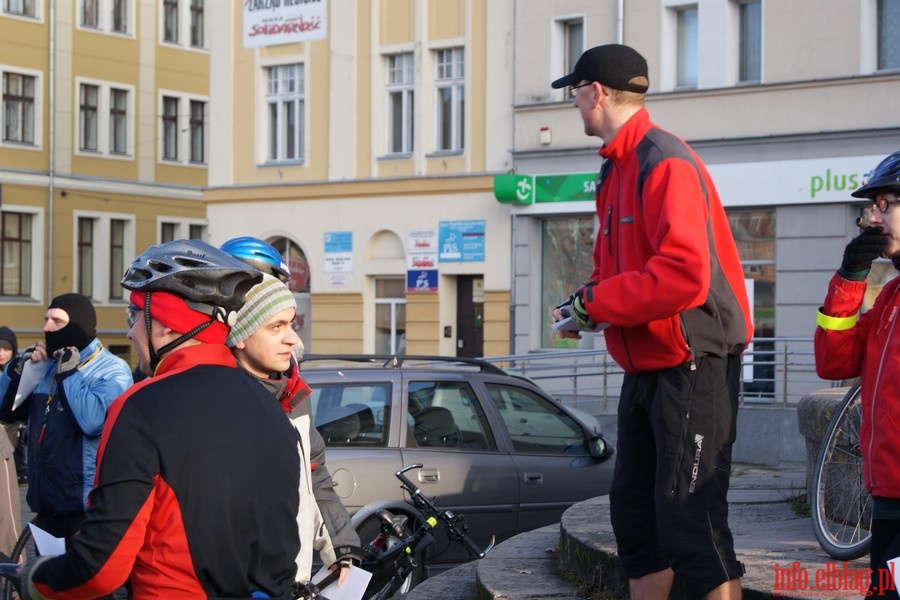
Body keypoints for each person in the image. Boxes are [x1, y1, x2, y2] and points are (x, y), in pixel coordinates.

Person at [550, 44, 753, 600]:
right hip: (645, 364)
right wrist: (580, 307)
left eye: (576, 94)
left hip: (694, 363)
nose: (575, 105)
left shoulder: (663, 159)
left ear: (595, 92)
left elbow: (683, 276)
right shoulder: (614, 170)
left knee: (692, 523)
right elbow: (615, 273)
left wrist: (597, 305)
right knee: (635, 523)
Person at [19, 239, 302, 599]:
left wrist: (36, 578)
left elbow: (100, 570)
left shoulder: (141, 407)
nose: (130, 332)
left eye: (135, 316)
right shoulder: (273, 410)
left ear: (166, 324)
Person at [226, 273, 362, 585]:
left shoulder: (294, 394)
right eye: (276, 327)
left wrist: (340, 547)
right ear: (240, 335)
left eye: (291, 324)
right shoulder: (223, 401)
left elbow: (315, 478)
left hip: (294, 580)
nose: (292, 339)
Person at [814, 151, 900, 599]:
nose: (872, 215)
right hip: (887, 492)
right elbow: (835, 363)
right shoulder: (890, 296)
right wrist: (850, 278)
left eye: (884, 203)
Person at [0, 295, 132, 545]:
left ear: (78, 325)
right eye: (46, 319)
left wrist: (69, 374)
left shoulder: (112, 369)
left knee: (87, 584)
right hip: (46, 507)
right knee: (45, 583)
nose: (46, 327)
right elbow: (6, 411)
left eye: (57, 321)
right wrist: (19, 371)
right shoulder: (48, 366)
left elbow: (92, 421)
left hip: (85, 508)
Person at [0, 326, 21, 558]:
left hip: (5, 442)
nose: (1, 353)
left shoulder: (18, 371)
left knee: (7, 519)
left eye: (6, 348)